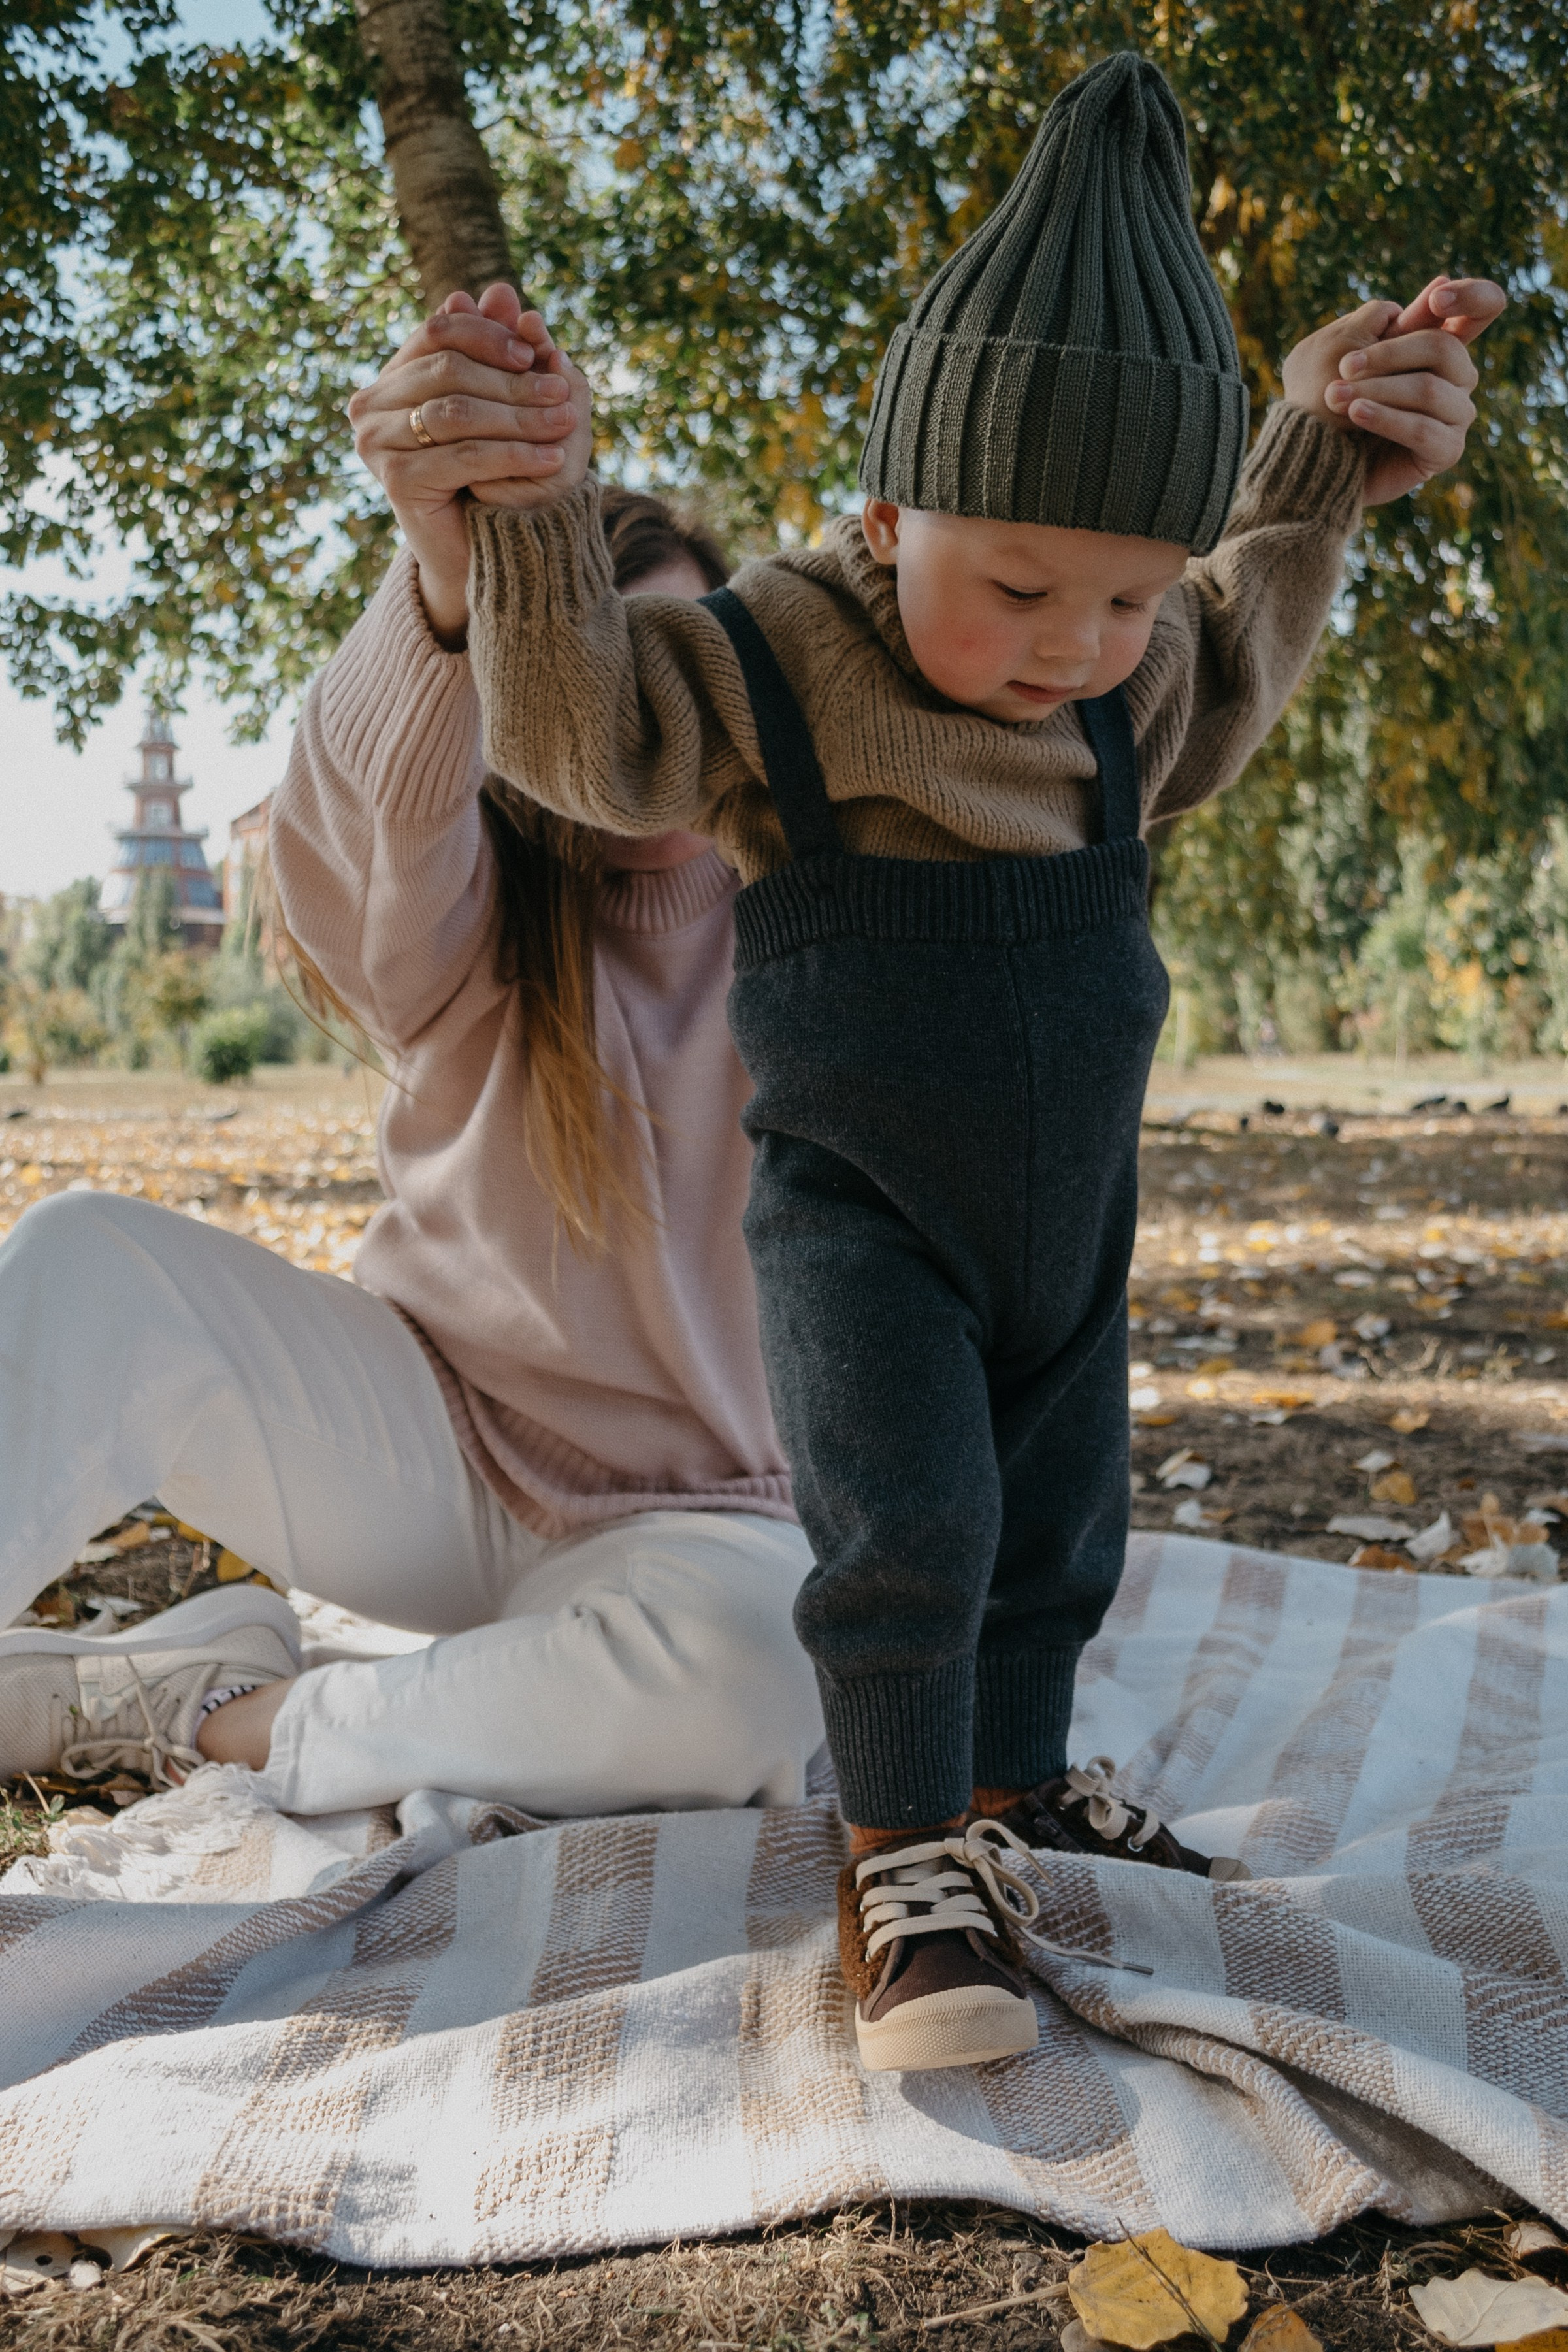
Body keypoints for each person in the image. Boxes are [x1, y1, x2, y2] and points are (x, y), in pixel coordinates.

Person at [430, 54, 1503, 2070]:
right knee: (908, 1522)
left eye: (1116, 590)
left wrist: (1317, 454)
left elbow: (1247, 621)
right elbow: (575, 740)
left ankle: (1016, 1788)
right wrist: (534, 512)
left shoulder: (1134, 681)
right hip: (869, 1213)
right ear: (887, 507)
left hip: (1069, 1213)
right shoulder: (770, 662)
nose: (1069, 642)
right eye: (1014, 582)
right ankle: (908, 1856)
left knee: (1058, 1518)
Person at [0, 487, 828, 1823]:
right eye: (599, 671)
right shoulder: (458, 917)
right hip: (429, 1450)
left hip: (713, 1518)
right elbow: (350, 838)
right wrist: (444, 586)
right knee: (85, 1259)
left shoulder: (835, 918)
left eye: (685, 663)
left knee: (755, 1683)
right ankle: (462, 1694)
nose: (651, 719)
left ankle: (209, 1708)